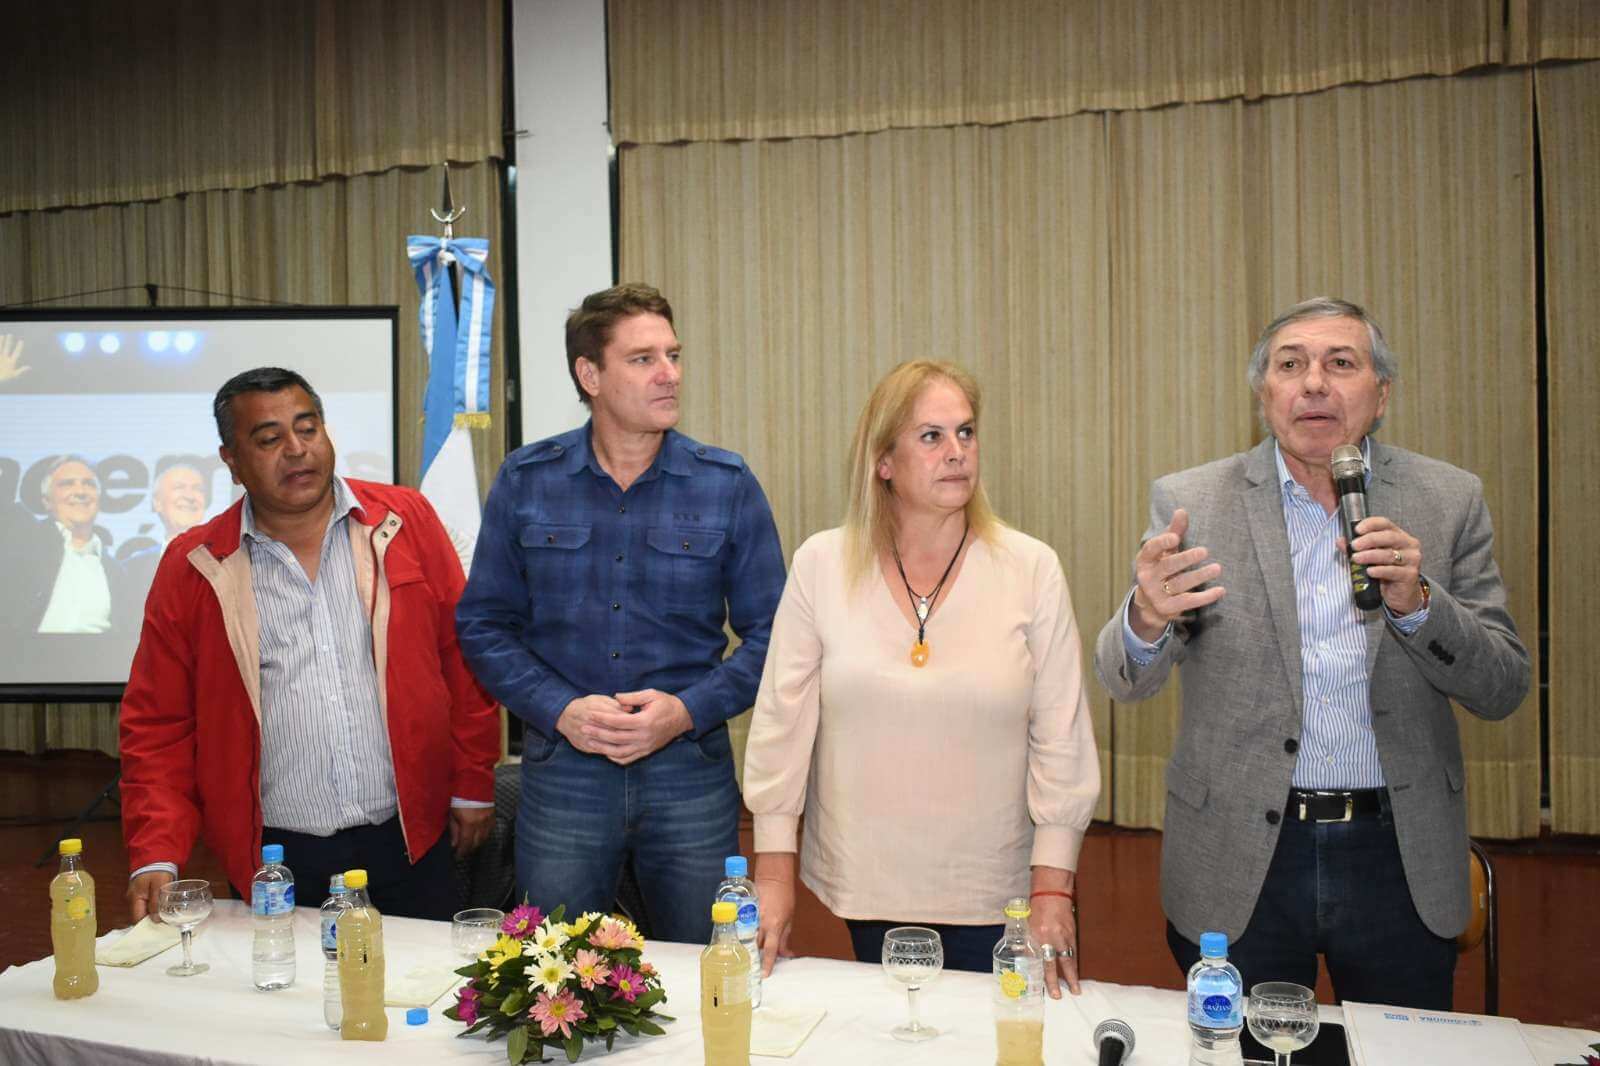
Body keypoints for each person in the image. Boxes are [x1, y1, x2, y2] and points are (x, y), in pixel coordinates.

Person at [1093, 298, 1530, 1009]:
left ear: (1381, 394)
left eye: (1341, 363)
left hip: (1397, 852)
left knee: (1400, 1052)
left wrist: (1419, 603)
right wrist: (1146, 617)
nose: (1314, 383)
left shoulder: (1449, 498)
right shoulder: (1193, 501)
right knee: (1246, 1052)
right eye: (1290, 365)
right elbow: (1123, 679)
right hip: (1242, 852)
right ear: (1264, 394)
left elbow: (1503, 687)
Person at [742, 360, 1100, 996]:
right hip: (867, 880)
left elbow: (1062, 734)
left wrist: (1054, 886)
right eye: (931, 436)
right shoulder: (822, 563)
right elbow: (781, 720)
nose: (957, 452)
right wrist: (772, 876)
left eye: (966, 432)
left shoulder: (1030, 568)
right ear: (884, 461)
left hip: (997, 888)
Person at [456, 283, 787, 944]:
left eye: (673, 355)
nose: (670, 373)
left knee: (710, 962)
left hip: (690, 774)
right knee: (555, 971)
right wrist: (560, 710)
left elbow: (777, 636)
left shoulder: (726, 484)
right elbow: (483, 625)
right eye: (643, 359)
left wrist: (685, 711)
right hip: (565, 773)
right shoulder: (527, 480)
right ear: (590, 375)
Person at [120, 367, 500, 921]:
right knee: (286, 978)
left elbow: (461, 658)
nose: (297, 450)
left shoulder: (403, 521)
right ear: (231, 460)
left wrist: (472, 784)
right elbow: (158, 724)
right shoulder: (195, 565)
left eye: (308, 428)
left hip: (410, 835)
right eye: (269, 439)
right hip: (277, 855)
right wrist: (157, 851)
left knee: (424, 974)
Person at [20, 457, 122, 634]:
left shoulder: (115, 570)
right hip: (32, 649)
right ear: (47, 501)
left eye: (89, 484)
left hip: (98, 650)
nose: (80, 491)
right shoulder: (22, 548)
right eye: (67, 484)